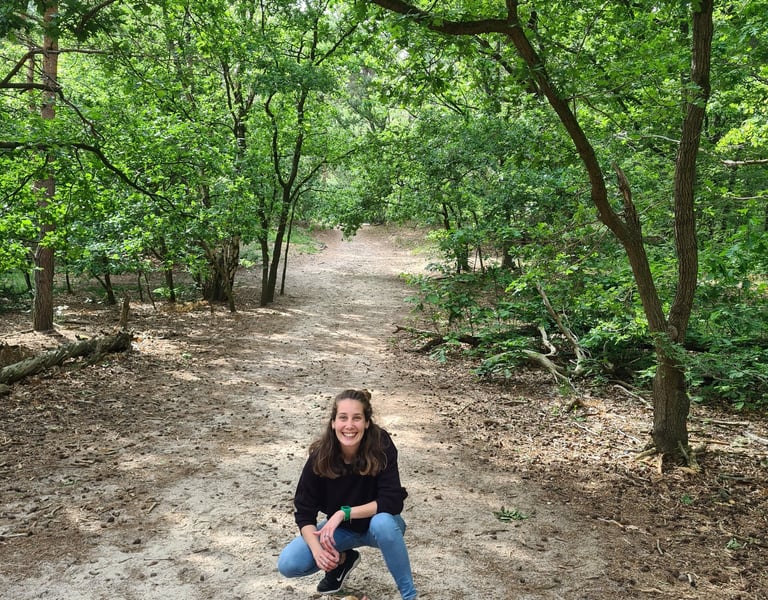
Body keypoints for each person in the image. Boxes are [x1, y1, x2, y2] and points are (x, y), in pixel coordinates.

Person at [277, 389, 418, 600]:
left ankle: (410, 596)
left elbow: (392, 501)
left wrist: (344, 513)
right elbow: (304, 513)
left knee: (383, 523)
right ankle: (343, 560)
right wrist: (318, 552)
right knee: (289, 563)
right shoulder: (320, 457)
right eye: (343, 418)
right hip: (340, 531)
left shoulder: (382, 444)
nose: (349, 426)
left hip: (379, 526)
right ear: (333, 422)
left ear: (367, 423)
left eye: (357, 418)